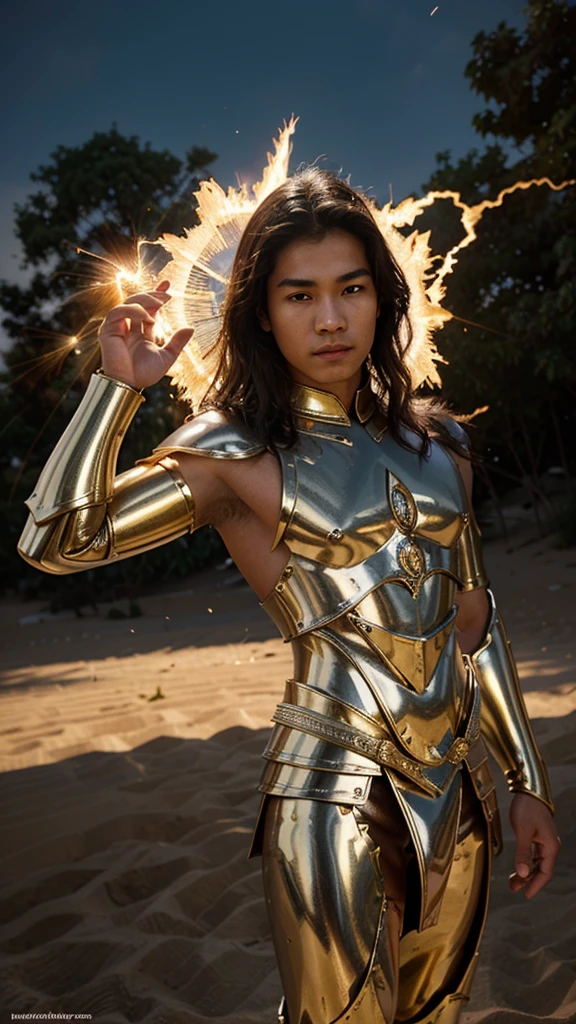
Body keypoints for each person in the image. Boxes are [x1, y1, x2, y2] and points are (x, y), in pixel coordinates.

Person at [18, 169, 559, 1023]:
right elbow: (55, 541)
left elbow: (473, 622)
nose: (331, 318)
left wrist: (527, 781)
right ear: (261, 312)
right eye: (299, 294)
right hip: (330, 791)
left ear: (383, 298)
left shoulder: (440, 441)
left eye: (351, 289)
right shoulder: (233, 450)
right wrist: (115, 388)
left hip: (462, 793)